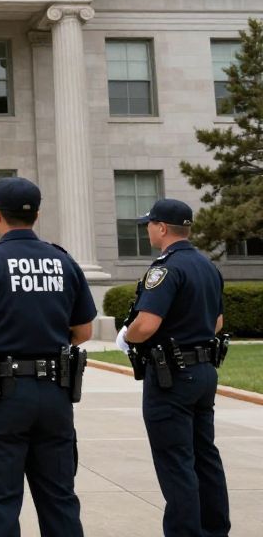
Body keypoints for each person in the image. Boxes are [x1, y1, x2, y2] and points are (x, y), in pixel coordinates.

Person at [0, 176, 97, 537]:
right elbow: (84, 331)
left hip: (2, 397)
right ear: (37, 215)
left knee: (0, 504)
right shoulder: (63, 261)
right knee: (60, 500)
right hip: (56, 395)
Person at [117, 198, 229, 537]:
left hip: (171, 377)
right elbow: (218, 322)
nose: (148, 229)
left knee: (176, 462)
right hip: (203, 370)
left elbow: (147, 324)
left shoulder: (165, 268)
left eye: (149, 224)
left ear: (162, 228)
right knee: (204, 456)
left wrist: (128, 337)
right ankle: (214, 529)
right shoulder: (207, 265)